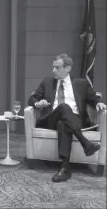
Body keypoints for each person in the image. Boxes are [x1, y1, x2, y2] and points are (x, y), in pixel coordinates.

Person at [28, 54, 106, 182]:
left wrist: (98, 103)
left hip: (75, 120)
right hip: (50, 119)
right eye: (53, 67)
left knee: (63, 124)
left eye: (57, 68)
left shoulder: (81, 83)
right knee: (64, 107)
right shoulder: (47, 82)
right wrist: (38, 103)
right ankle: (85, 143)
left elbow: (94, 98)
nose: (53, 70)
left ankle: (65, 168)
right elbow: (32, 98)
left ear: (68, 68)